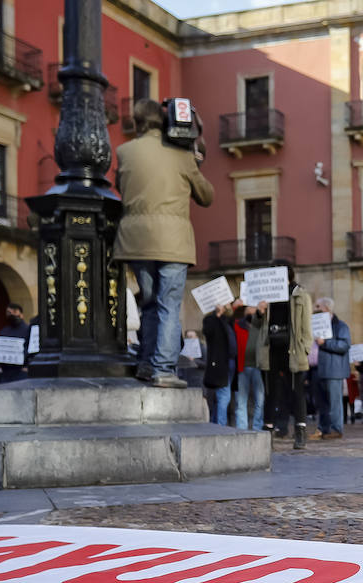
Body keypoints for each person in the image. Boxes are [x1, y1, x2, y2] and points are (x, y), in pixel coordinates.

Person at [114, 99, 214, 389]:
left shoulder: (125, 151)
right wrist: (195, 158)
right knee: (168, 305)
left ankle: (146, 363)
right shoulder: (181, 156)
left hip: (135, 240)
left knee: (148, 303)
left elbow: (123, 188)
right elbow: (206, 196)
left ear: (136, 121)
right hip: (172, 242)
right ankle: (163, 369)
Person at [262, 263, 314, 449]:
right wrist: (259, 312)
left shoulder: (299, 294)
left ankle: (300, 432)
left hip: (293, 349)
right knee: (271, 392)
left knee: (297, 391)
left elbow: (307, 324)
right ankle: (268, 430)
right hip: (271, 349)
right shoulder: (265, 296)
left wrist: (305, 348)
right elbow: (257, 324)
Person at [311, 297, 351, 440]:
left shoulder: (340, 326)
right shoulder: (314, 326)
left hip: (334, 370)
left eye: (317, 306)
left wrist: (325, 343)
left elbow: (344, 345)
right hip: (317, 369)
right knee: (321, 403)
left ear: (326, 309)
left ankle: (335, 428)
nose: (315, 309)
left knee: (334, 402)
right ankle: (323, 428)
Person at [200, 300, 236, 425]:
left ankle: (216, 423)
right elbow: (208, 332)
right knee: (223, 396)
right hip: (220, 364)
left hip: (230, 363)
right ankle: (220, 425)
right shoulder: (210, 320)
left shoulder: (227, 320)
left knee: (222, 396)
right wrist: (217, 314)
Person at [234, 299, 267, 431]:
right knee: (241, 401)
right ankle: (242, 428)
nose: (252, 311)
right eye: (249, 308)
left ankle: (257, 426)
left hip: (258, 367)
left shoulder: (261, 326)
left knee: (259, 400)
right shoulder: (237, 325)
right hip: (242, 367)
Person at [0, 304, 30, 386]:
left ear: (21, 315)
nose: (11, 314)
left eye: (14, 311)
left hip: (21, 373)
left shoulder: (28, 330)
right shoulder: (3, 331)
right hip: (5, 374)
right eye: (8, 312)